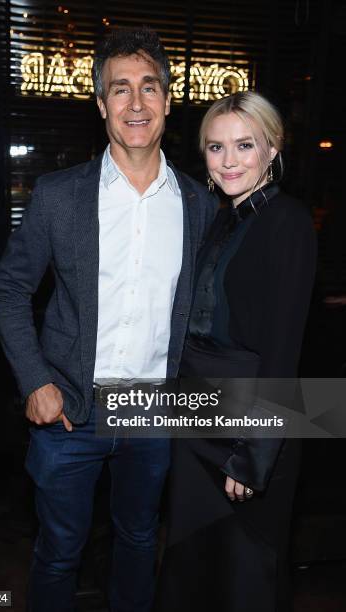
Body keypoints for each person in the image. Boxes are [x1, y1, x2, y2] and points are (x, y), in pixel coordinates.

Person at [0, 27, 217, 612]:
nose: (136, 104)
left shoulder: (202, 206)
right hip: (68, 408)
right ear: (101, 106)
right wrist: (35, 380)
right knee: (59, 552)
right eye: (120, 89)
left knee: (140, 541)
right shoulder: (59, 196)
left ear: (168, 100)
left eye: (149, 87)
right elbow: (9, 288)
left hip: (152, 412)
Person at [155, 91, 316, 612]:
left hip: (246, 429)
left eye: (244, 145)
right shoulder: (223, 219)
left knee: (245, 578)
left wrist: (254, 455)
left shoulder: (288, 221)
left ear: (272, 149)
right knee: (193, 569)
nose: (228, 161)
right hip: (196, 422)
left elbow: (283, 350)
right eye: (215, 147)